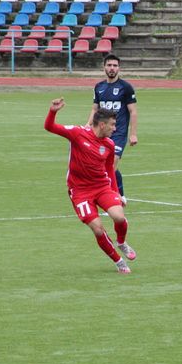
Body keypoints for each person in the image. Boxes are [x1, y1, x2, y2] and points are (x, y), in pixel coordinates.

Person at [46, 98, 136, 274]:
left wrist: (116, 193)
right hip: (80, 191)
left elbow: (109, 171)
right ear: (102, 125)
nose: (115, 128)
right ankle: (118, 262)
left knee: (119, 217)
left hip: (101, 187)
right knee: (98, 228)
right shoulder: (78, 134)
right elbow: (50, 127)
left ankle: (121, 242)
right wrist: (53, 111)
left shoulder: (109, 145)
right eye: (112, 125)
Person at [88, 53, 137, 202]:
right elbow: (95, 110)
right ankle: (120, 195)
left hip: (118, 133)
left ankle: (113, 198)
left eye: (115, 65)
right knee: (104, 166)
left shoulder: (126, 87)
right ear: (104, 67)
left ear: (119, 68)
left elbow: (133, 111)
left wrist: (133, 134)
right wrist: (87, 126)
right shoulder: (99, 87)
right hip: (102, 134)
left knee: (112, 164)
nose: (112, 68)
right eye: (109, 65)